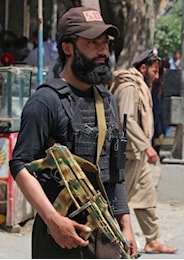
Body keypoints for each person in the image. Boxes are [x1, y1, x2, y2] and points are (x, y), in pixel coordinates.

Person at [8, 6, 138, 258]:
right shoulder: (46, 101)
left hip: (105, 233)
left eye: (105, 43)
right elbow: (20, 164)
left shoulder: (107, 100)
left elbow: (114, 171)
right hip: (60, 235)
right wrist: (53, 221)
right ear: (68, 48)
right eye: (92, 42)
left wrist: (126, 226)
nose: (103, 51)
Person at [110, 49, 177, 254]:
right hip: (127, 153)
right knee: (118, 200)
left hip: (137, 154)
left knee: (147, 197)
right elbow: (126, 120)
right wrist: (146, 146)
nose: (157, 76)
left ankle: (152, 240)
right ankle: (104, 238)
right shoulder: (129, 87)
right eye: (155, 71)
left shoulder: (140, 86)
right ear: (143, 68)